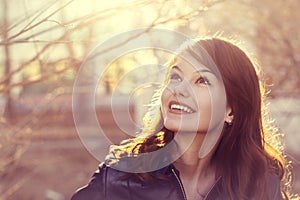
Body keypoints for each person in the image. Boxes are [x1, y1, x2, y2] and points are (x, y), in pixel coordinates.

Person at [71, 37, 295, 200]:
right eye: (176, 76)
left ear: (231, 110)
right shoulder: (121, 175)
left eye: (202, 81)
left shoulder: (259, 184)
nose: (179, 89)